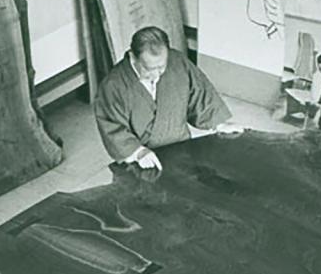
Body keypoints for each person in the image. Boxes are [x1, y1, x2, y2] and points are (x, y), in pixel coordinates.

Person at [93, 26, 244, 171]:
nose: (157, 74)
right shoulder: (113, 85)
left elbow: (199, 94)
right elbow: (112, 126)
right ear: (133, 57)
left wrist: (218, 124)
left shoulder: (177, 62)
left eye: (161, 67)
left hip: (182, 147)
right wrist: (138, 152)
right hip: (143, 159)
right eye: (149, 69)